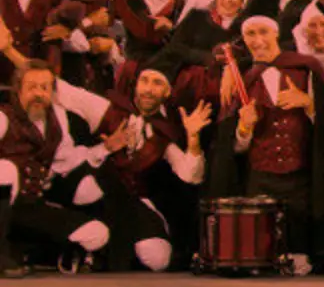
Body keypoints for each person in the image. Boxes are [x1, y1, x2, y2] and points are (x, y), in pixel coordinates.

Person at [212, 6, 324, 275]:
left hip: (300, 172)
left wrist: (308, 103)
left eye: (263, 32)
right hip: (260, 173)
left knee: (299, 242)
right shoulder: (243, 79)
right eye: (250, 34)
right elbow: (235, 147)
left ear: (276, 34)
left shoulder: (306, 67)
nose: (257, 39)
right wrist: (244, 128)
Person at [54, 59, 211, 271]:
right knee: (90, 187)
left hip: (133, 199)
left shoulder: (163, 133)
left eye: (157, 83)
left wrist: (193, 138)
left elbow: (190, 175)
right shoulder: (108, 109)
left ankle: (110, 250)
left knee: (158, 258)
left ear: (167, 92)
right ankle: (92, 246)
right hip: (96, 196)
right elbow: (61, 90)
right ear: (135, 85)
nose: (148, 89)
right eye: (144, 81)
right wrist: (9, 51)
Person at [0, 59, 110, 275]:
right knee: (6, 169)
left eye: (45, 87)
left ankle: (30, 253)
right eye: (32, 87)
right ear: (18, 89)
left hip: (29, 207)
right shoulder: (3, 117)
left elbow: (68, 161)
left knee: (97, 233)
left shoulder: (57, 119)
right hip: (3, 202)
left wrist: (105, 148)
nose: (38, 94)